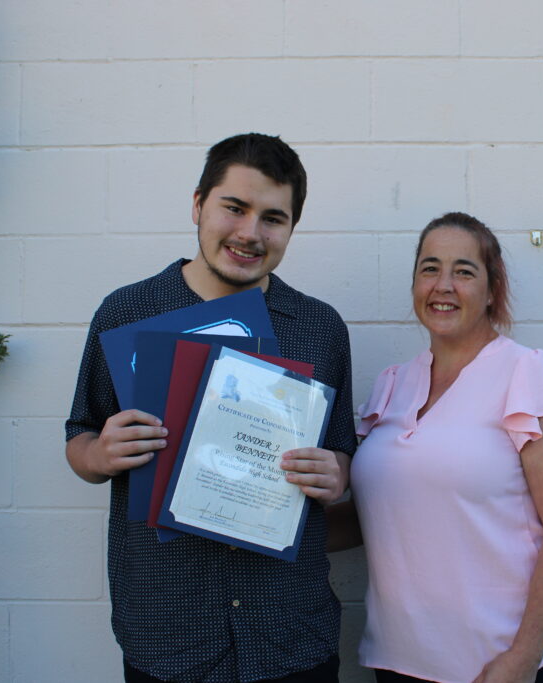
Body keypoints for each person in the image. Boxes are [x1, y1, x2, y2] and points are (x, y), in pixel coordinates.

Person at [65, 133, 356, 683]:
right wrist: (99, 454)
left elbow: (341, 454)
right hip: (170, 637)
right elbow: (78, 438)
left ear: (292, 227)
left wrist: (334, 472)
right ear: (198, 204)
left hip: (291, 634)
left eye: (273, 218)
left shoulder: (320, 327)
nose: (250, 233)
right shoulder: (127, 312)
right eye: (234, 208)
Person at [329, 212, 543, 683]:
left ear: (492, 290)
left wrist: (524, 657)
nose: (443, 285)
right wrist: (260, 524)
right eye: (430, 268)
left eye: (464, 271)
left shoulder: (530, 374)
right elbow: (378, 516)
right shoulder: (391, 386)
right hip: (399, 660)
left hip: (501, 662)